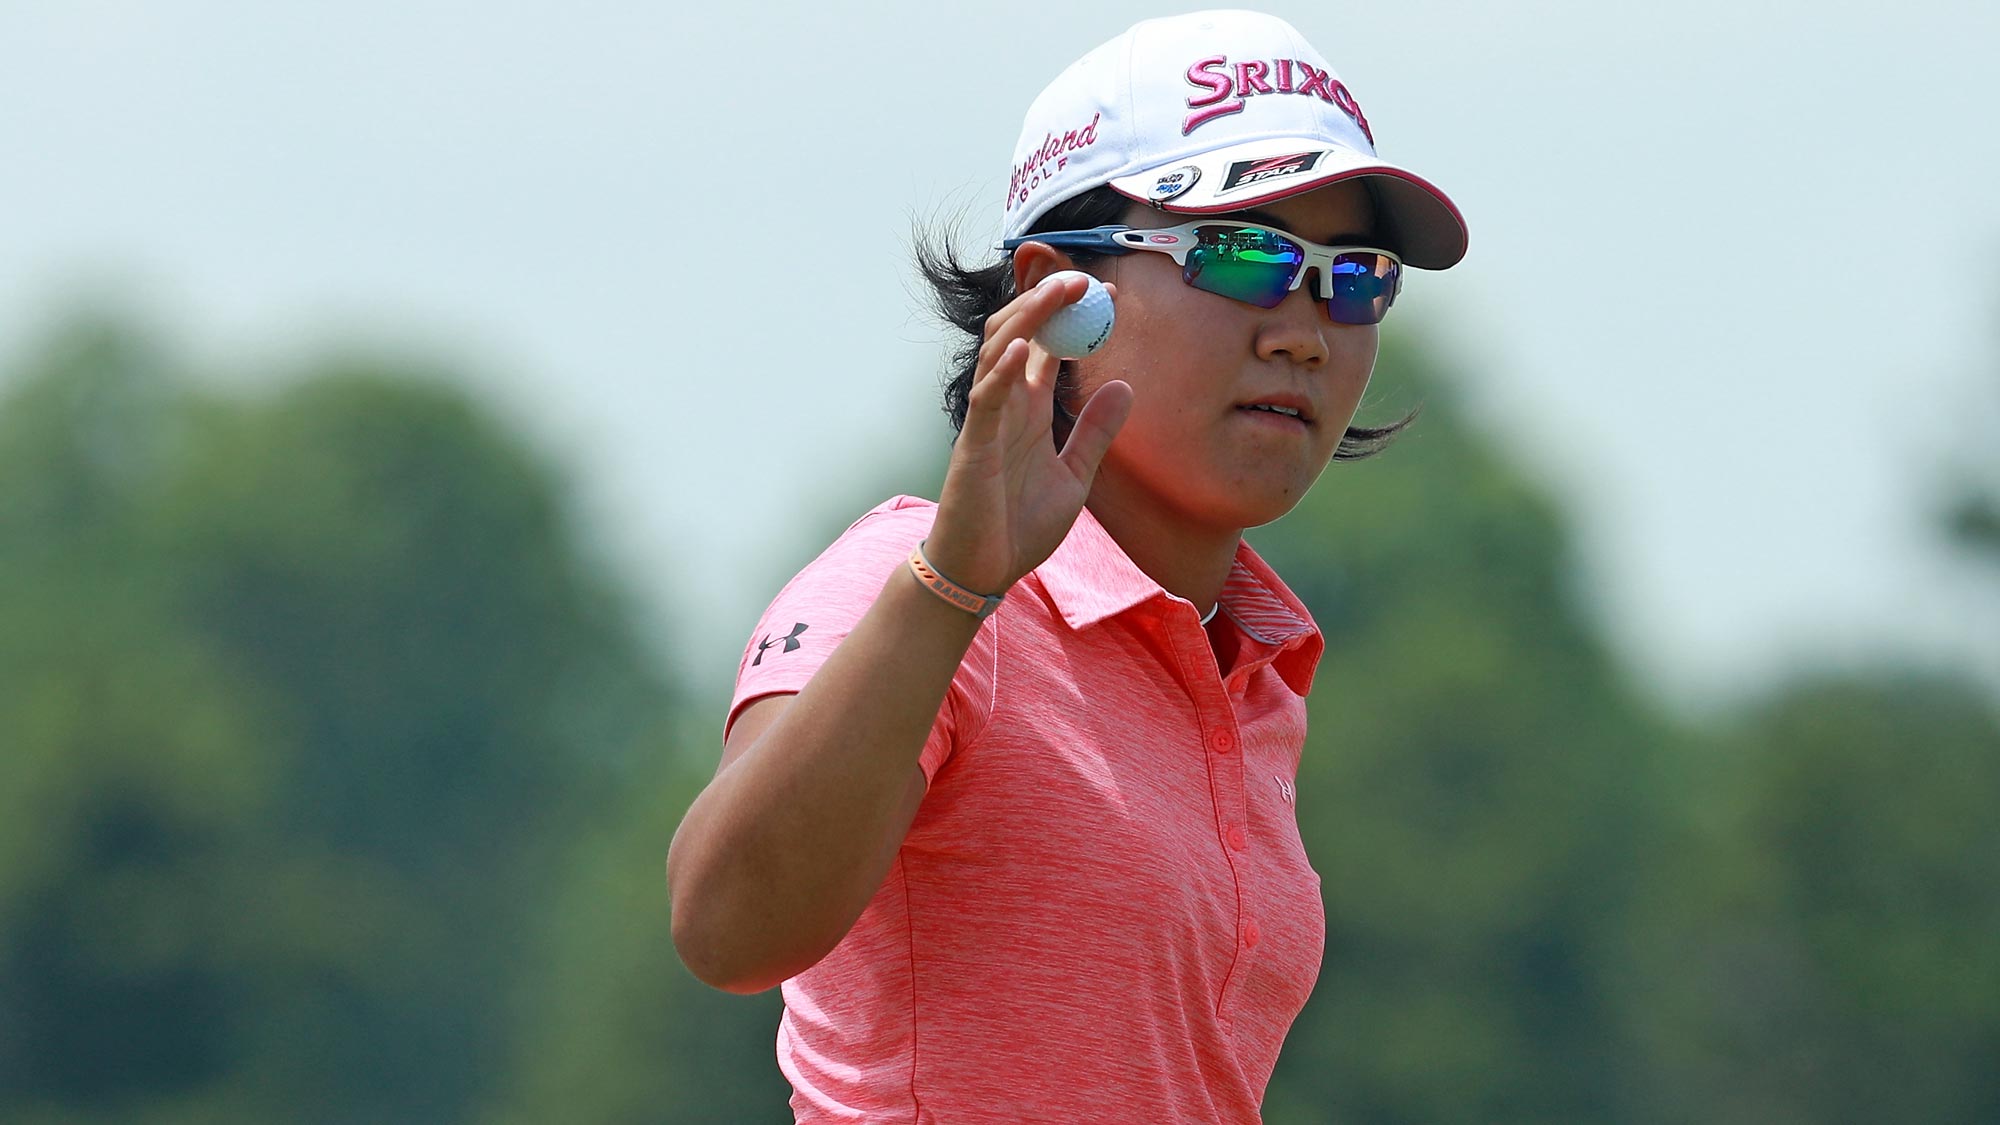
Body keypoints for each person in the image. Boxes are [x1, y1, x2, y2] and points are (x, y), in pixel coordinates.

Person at [666, 9, 1467, 1121]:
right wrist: (949, 587)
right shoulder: (913, 579)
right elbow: (724, 925)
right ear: (1057, 293)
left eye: (1354, 278)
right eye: (1243, 256)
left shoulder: (1252, 663)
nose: (1304, 329)